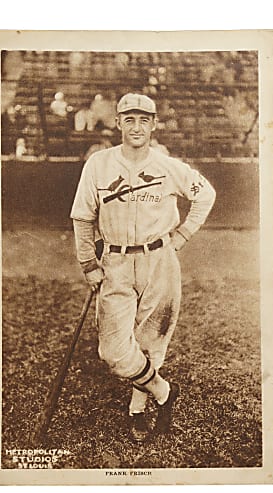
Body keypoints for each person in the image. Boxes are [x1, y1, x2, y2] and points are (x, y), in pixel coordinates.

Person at [70, 93, 216, 443]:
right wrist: (89, 263)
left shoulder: (168, 165)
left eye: (143, 120)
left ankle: (137, 410)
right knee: (113, 351)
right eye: (129, 119)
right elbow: (81, 217)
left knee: (151, 342)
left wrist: (182, 234)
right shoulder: (99, 164)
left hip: (159, 261)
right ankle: (165, 392)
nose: (136, 127)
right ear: (118, 122)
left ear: (153, 124)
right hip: (115, 262)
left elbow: (205, 194)